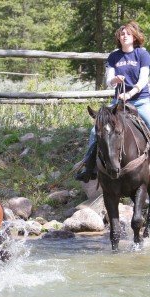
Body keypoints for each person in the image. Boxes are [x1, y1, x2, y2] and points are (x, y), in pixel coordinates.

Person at [76, 20, 150, 182]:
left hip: (141, 100)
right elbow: (109, 80)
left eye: (128, 34)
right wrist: (115, 80)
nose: (125, 36)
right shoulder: (114, 56)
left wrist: (131, 93)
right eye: (122, 34)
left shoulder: (142, 54)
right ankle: (89, 167)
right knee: (96, 130)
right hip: (118, 103)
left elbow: (144, 79)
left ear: (135, 37)